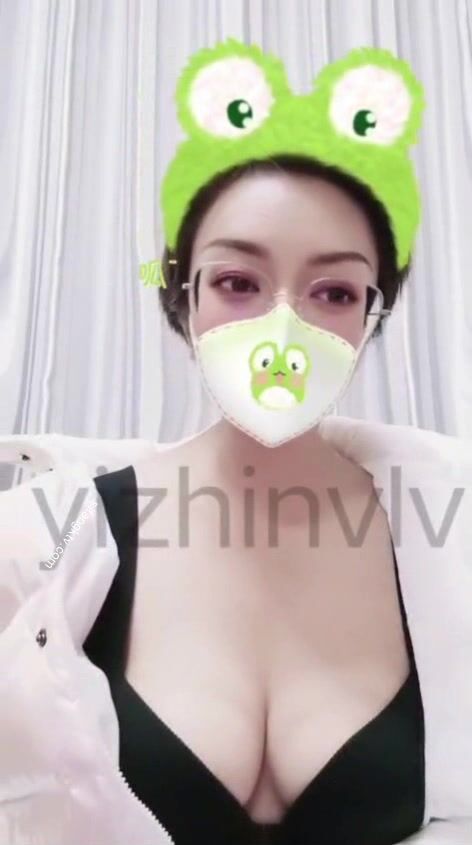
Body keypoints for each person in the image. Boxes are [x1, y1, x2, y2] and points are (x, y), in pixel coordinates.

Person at [1, 37, 472, 845]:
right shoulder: (37, 545)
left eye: (333, 291)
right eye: (238, 282)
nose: (283, 329)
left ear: (372, 315)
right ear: (183, 295)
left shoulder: (448, 536)